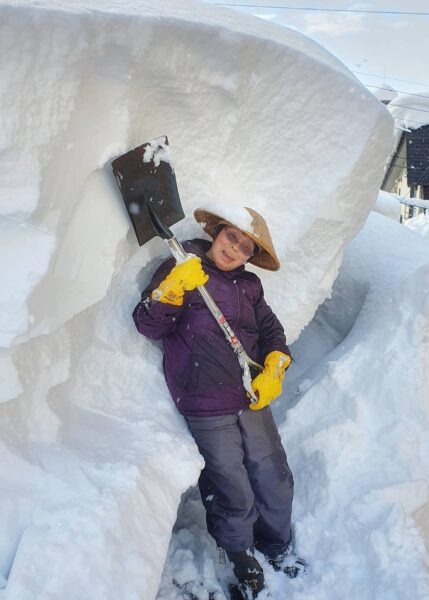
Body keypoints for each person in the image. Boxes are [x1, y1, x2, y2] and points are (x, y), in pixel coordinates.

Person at [133, 206, 305, 597]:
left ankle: (275, 546)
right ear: (217, 233)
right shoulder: (181, 265)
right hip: (205, 398)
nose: (235, 250)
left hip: (249, 394)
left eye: (245, 248)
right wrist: (174, 287)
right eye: (232, 238)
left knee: (273, 475)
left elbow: (270, 329)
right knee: (231, 482)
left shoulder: (249, 287)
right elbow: (147, 323)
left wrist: (276, 363)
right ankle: (241, 553)